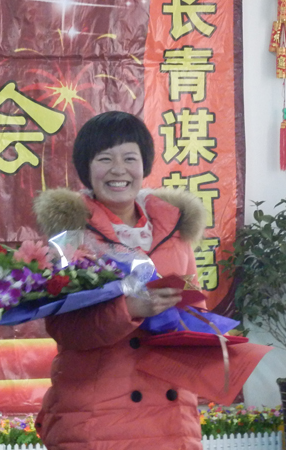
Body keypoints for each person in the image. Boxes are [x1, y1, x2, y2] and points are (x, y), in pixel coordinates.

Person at [33, 111, 207, 450]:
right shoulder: (70, 236)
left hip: (171, 420)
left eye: (130, 158)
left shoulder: (176, 232)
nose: (118, 170)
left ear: (145, 165)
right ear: (86, 168)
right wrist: (130, 310)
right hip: (94, 421)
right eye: (105, 159)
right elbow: (64, 329)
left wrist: (205, 334)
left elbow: (196, 310)